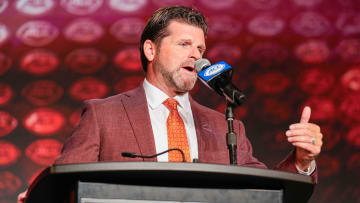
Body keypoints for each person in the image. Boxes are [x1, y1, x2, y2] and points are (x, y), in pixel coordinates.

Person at [18, 5, 323, 202]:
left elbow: (266, 192)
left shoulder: (224, 125)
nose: (197, 55)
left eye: (201, 47)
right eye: (184, 44)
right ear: (150, 50)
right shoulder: (104, 114)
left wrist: (302, 159)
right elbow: (64, 182)